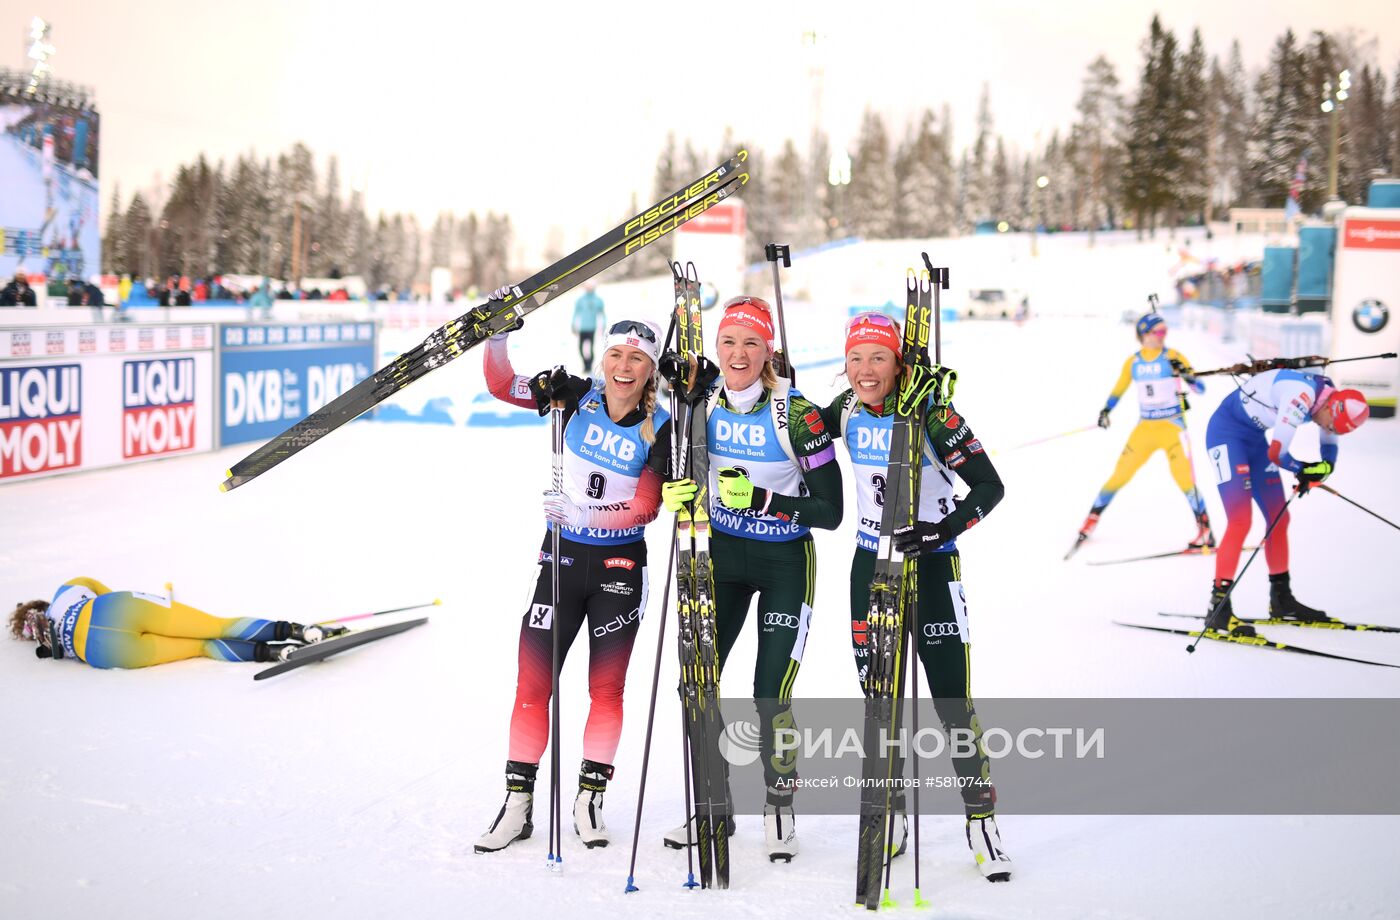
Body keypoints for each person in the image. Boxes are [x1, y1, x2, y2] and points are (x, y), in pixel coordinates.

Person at [820, 311, 1012, 882]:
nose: (864, 370)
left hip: (929, 567)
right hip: (868, 568)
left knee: (953, 699)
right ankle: (892, 818)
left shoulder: (932, 410)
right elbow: (794, 425)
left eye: (878, 357)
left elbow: (990, 486)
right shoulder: (847, 410)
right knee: (880, 703)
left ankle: (981, 821)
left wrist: (943, 529)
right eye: (855, 358)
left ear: (899, 361)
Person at [474, 304, 671, 854]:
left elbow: (646, 507)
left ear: (650, 368)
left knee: (605, 690)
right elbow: (500, 383)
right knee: (533, 686)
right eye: (616, 354)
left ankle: (589, 799)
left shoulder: (659, 425)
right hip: (559, 563)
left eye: (638, 358)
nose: (624, 366)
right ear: (602, 357)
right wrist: (496, 338)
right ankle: (517, 804)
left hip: (618, 569)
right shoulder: (572, 395)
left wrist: (583, 515)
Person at [659, 295, 843, 861]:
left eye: (751, 343)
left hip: (785, 561)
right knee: (699, 681)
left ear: (769, 351)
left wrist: (767, 499)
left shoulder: (798, 414)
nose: (738, 353)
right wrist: (676, 491)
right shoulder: (700, 404)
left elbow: (831, 510)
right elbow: (673, 465)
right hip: (722, 557)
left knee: (769, 693)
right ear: (717, 347)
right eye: (729, 342)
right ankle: (713, 803)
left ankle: (779, 803)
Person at [1201, 370, 1369, 636]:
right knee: (1241, 519)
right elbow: (1278, 453)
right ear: (1330, 407)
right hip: (1225, 435)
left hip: (1253, 439)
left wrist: (1323, 468)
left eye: (1333, 429)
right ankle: (1217, 607)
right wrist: (1303, 468)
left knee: (1279, 516)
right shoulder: (1299, 397)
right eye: (1330, 425)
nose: (1327, 430)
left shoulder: (1329, 398)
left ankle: (1281, 599)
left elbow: (1328, 445)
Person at [1074, 313, 1213, 552]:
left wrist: (1185, 374)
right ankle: (1091, 520)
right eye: (1158, 331)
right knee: (1119, 475)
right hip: (1145, 429)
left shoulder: (1173, 357)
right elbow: (1119, 389)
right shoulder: (1134, 362)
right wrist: (1106, 410)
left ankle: (1205, 530)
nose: (1163, 335)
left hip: (1173, 428)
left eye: (1165, 331)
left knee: (1185, 480)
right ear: (1144, 333)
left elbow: (1200, 388)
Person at [8, 578, 346, 668]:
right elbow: (97, 588)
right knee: (217, 625)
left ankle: (277, 654)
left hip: (104, 652)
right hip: (115, 609)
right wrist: (143, 604)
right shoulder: (64, 592)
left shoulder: (47, 640)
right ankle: (300, 632)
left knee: (202, 646)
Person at [571, 282, 607, 374]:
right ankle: (585, 365)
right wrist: (573, 326)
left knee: (590, 348)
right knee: (580, 348)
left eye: (591, 287)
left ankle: (589, 366)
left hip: (592, 328)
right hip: (582, 328)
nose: (589, 289)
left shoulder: (598, 300)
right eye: (587, 287)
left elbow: (602, 315)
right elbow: (575, 313)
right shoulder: (581, 300)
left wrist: (603, 327)